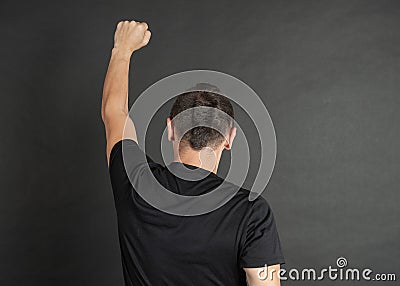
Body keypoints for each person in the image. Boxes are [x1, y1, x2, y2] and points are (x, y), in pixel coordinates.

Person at [101, 20, 285, 286]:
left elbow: (113, 112)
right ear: (230, 138)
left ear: (170, 129)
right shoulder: (252, 213)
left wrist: (123, 49)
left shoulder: (135, 183)